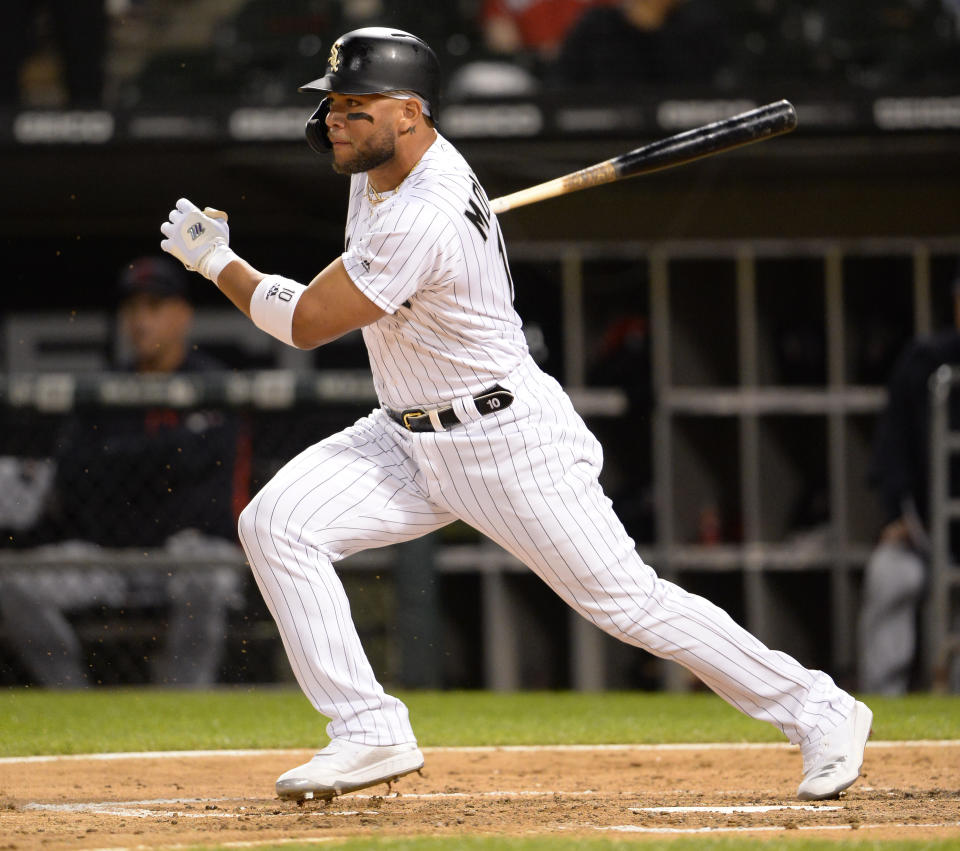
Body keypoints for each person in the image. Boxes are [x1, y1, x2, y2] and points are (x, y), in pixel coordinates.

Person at [160, 27, 872, 802]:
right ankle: (367, 729)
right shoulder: (383, 171)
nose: (334, 118)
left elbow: (302, 322)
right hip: (405, 435)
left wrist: (215, 260)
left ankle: (821, 709)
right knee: (277, 523)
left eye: (355, 105)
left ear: (410, 112)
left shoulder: (419, 213)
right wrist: (343, 139)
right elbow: (352, 258)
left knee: (627, 601)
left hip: (503, 443)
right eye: (331, 102)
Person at [0, 256, 248, 687]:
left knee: (207, 574)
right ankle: (73, 698)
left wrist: (119, 460)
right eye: (132, 309)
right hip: (111, 556)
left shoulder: (213, 384)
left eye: (154, 307)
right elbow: (76, 474)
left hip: (186, 554)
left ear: (182, 315)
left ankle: (185, 702)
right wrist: (163, 457)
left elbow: (198, 469)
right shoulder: (102, 388)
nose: (140, 320)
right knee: (11, 580)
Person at [858, 275, 960, 694]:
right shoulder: (927, 359)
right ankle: (884, 700)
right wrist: (899, 512)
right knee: (889, 575)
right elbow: (893, 445)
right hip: (927, 528)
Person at [551, 0, 732, 89]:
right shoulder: (598, 24)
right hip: (596, 137)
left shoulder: (700, 24)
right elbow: (561, 84)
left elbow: (711, 88)